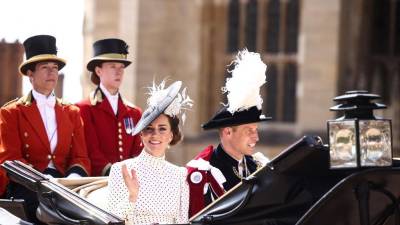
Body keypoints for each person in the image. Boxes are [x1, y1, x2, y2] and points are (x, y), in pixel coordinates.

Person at [0, 35, 91, 223]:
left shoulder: (72, 112)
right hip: (27, 186)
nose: (52, 73)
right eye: (45, 68)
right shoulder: (11, 112)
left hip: (66, 186)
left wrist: (71, 180)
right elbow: (9, 159)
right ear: (30, 74)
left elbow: (80, 157)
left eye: (55, 68)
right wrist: (42, 179)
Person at [187, 49, 270, 217]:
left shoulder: (257, 165)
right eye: (249, 131)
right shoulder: (205, 172)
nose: (256, 137)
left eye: (256, 130)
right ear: (227, 132)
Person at [107, 80, 192, 224]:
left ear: (171, 135)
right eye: (149, 128)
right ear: (141, 134)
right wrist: (132, 196)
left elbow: (182, 221)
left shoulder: (180, 175)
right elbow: (111, 220)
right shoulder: (121, 169)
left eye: (162, 129)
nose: (155, 135)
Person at [76, 38, 143, 176]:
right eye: (112, 66)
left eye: (121, 68)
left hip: (130, 180)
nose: (118, 72)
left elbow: (138, 151)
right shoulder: (84, 108)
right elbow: (91, 150)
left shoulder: (134, 112)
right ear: (98, 71)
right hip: (98, 180)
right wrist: (112, 172)